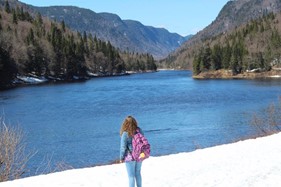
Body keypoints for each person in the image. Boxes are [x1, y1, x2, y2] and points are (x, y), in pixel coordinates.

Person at [120, 115, 143, 187]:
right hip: (140, 154)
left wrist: (121, 157)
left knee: (131, 176)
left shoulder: (125, 133)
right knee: (138, 173)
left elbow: (123, 147)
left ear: (125, 123)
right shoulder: (139, 130)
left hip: (130, 156)